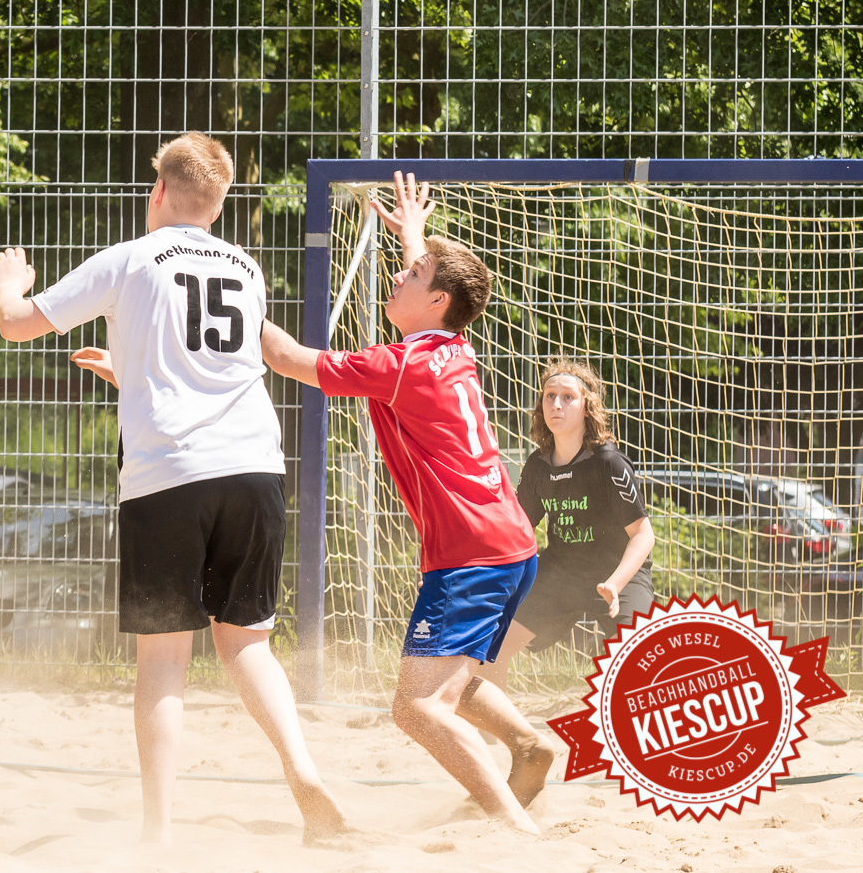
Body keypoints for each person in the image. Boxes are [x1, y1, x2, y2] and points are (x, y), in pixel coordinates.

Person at [0, 133, 348, 847]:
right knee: (249, 644)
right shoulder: (245, 267)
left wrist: (9, 280)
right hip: (254, 468)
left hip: (169, 476)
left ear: (159, 191)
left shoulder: (131, 258)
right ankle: (303, 768)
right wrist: (133, 377)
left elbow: (17, 325)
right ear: (218, 203)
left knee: (163, 657)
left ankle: (157, 831)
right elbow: (212, 365)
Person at [260, 172, 552, 835]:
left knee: (417, 707)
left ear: (438, 296)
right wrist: (415, 237)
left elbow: (284, 356)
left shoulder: (400, 364)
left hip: (469, 553)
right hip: (508, 544)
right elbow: (429, 291)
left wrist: (224, 288)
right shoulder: (452, 347)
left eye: (409, 272)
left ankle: (514, 827)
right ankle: (530, 747)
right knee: (449, 681)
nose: (397, 277)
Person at [476, 360, 655, 690]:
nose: (556, 404)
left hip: (618, 575)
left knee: (643, 664)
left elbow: (643, 535)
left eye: (568, 397)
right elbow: (514, 533)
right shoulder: (537, 465)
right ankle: (494, 734)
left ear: (587, 406)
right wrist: (466, 572)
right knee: (488, 651)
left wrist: (614, 584)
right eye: (549, 396)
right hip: (562, 573)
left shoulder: (608, 462)